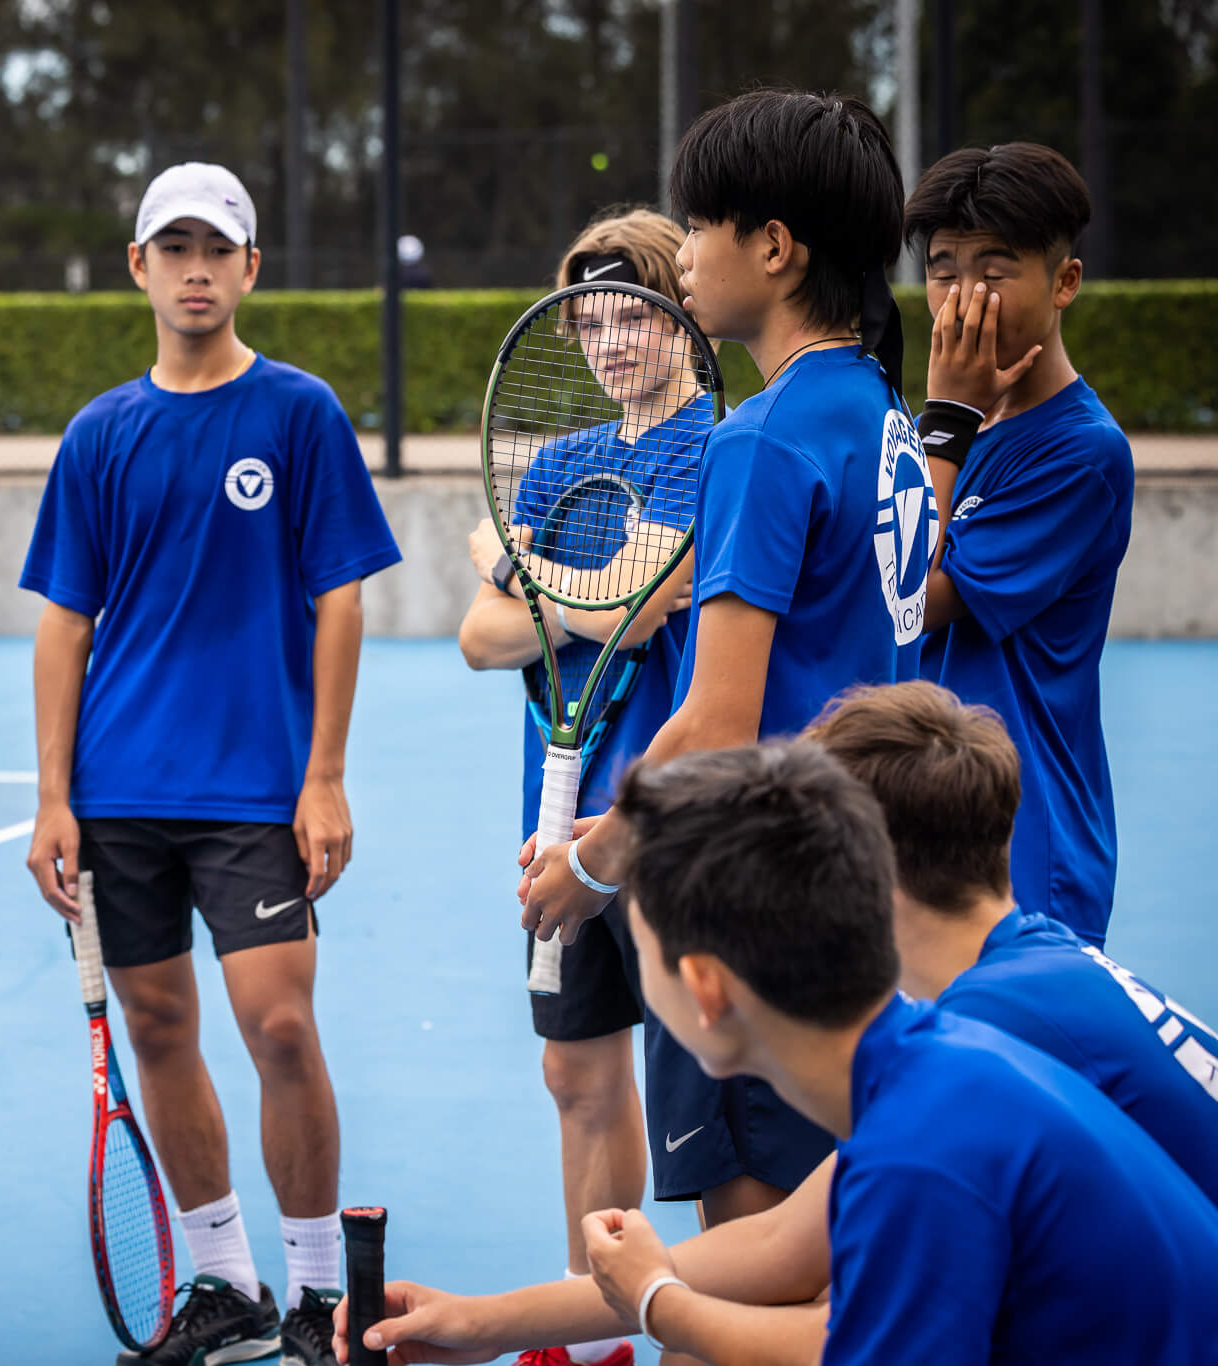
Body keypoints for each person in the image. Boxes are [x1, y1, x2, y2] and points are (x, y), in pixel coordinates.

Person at [336, 681, 1218, 1363]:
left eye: (642, 955)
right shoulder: (942, 1063)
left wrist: (660, 1307)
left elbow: (839, 1341)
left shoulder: (943, 1108)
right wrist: (484, 1321)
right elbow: (787, 1248)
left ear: (705, 992)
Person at [519, 90, 938, 1243]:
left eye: (702, 224)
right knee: (847, 1256)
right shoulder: (879, 411)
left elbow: (713, 725)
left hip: (763, 896)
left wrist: (588, 865)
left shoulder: (759, 436)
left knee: (747, 1261)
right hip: (867, 882)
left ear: (771, 246)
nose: (684, 250)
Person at [20, 161, 401, 1366]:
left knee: (278, 1024)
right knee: (158, 1023)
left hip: (251, 793)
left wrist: (323, 773)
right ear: (138, 266)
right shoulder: (98, 434)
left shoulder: (298, 414)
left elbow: (338, 600)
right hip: (116, 792)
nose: (194, 267)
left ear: (248, 267)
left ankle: (315, 1296)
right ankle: (224, 1286)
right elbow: (64, 624)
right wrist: (50, 799)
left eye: (215, 247)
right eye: (170, 246)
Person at [456, 206, 705, 1366]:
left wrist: (529, 575)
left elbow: (637, 604)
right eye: (588, 320)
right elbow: (474, 634)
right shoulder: (555, 460)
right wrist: (581, 590)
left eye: (627, 316)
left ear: (677, 316)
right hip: (550, 825)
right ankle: (590, 1322)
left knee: (705, 1093)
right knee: (575, 1074)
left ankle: (709, 1323)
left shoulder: (710, 444)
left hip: (665, 827)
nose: (606, 341)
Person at [906, 143, 1133, 945]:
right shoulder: (946, 431)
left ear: (1064, 281)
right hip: (923, 821)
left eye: (995, 269)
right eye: (942, 269)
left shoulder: (1080, 453)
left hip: (1024, 847)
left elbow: (911, 603)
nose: (964, 296)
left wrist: (943, 426)